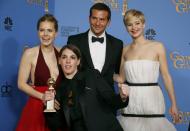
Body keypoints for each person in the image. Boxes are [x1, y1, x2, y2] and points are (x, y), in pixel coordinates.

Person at [114, 9, 179, 131]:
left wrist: (174, 104)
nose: (134, 27)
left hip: (152, 100)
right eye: (129, 24)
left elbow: (166, 76)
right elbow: (121, 78)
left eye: (137, 23)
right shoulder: (125, 50)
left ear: (144, 24)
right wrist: (102, 72)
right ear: (126, 27)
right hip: (131, 101)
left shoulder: (157, 46)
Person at [45, 44, 129, 131]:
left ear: (78, 61)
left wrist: (122, 97)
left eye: (72, 57)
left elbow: (112, 100)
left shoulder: (92, 75)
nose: (68, 61)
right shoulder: (60, 90)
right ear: (59, 61)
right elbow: (55, 125)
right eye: (64, 57)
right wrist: (48, 106)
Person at [16, 14, 68, 131]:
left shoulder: (62, 52)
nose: (45, 34)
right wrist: (43, 96)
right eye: (42, 30)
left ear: (56, 33)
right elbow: (21, 84)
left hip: (58, 107)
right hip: (37, 107)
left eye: (49, 30)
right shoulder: (29, 53)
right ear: (37, 32)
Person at [67, 2, 123, 89]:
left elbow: (118, 73)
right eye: (94, 18)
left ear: (108, 22)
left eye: (102, 19)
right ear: (89, 19)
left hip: (107, 99)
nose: (97, 23)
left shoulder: (117, 44)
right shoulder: (74, 41)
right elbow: (68, 70)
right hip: (81, 97)